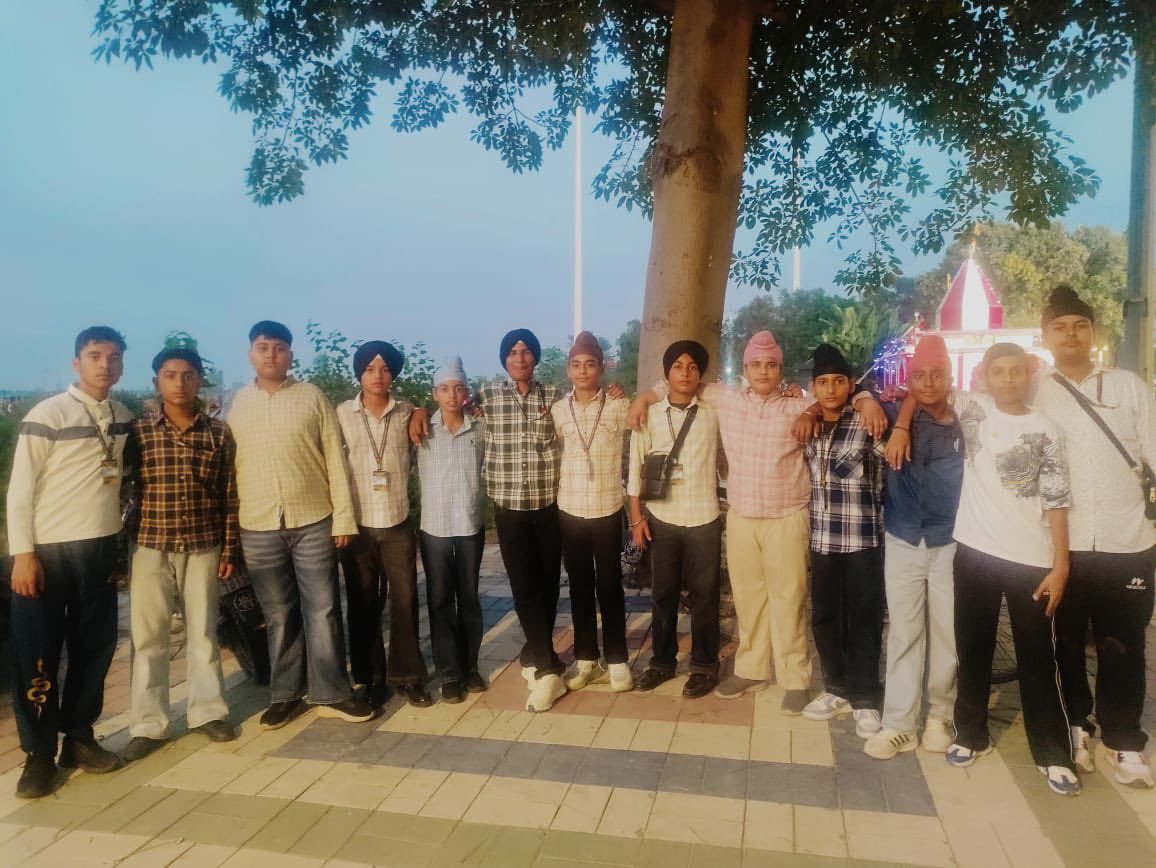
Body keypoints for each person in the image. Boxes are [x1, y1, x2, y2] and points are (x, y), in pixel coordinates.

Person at [889, 342, 1079, 796]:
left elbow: (1057, 500)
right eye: (999, 372)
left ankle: (1053, 753)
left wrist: (1061, 565)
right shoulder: (975, 409)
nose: (1008, 380)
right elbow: (923, 387)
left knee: (1038, 656)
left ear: (1029, 374)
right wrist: (899, 423)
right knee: (972, 649)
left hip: (1030, 557)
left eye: (1016, 371)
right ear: (985, 376)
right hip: (973, 552)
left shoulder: (1047, 429)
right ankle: (970, 735)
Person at [1035, 285, 1156, 788]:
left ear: (1093, 332)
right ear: (1046, 337)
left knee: (1123, 643)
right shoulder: (1035, 390)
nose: (1071, 335)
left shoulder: (1128, 387)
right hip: (1062, 546)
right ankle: (1075, 726)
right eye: (1060, 327)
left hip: (1128, 540)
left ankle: (1123, 737)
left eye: (1080, 325)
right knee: (1063, 641)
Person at [411, 328, 569, 711]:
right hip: (500, 511)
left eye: (526, 351)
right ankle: (540, 664)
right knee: (515, 589)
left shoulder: (553, 397)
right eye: (512, 352)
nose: (520, 358)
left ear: (535, 357)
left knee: (543, 586)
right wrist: (417, 410)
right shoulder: (487, 398)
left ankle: (527, 652)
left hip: (543, 505)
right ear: (504, 360)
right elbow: (439, 406)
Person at [6, 326, 133, 798]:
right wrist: (23, 554)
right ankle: (38, 755)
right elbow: (20, 489)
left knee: (94, 648)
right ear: (77, 363)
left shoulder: (123, 416)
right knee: (37, 653)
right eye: (95, 356)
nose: (105, 364)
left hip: (98, 550)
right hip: (46, 553)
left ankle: (79, 738)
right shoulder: (48, 414)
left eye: (114, 357)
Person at [228, 320, 373, 729]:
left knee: (323, 609)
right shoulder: (237, 404)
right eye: (263, 347)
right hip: (258, 524)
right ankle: (286, 695)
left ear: (290, 355)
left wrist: (343, 518)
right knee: (278, 613)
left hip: (313, 520)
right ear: (251, 354)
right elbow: (229, 470)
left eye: (279, 347)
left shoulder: (312, 397)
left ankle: (332, 692)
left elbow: (335, 459)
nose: (271, 354)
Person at [122, 347, 239, 763]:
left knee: (203, 632)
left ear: (199, 381)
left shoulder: (218, 433)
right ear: (157, 381)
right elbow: (122, 489)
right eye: (170, 375)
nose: (179, 383)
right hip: (150, 544)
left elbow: (229, 494)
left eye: (188, 375)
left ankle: (208, 712)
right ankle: (148, 725)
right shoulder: (138, 432)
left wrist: (230, 547)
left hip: (203, 543)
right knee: (148, 637)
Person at [864, 335, 963, 760]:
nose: (928, 383)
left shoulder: (968, 420)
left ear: (950, 376)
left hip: (952, 541)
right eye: (919, 375)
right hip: (903, 537)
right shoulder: (891, 415)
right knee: (904, 632)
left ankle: (940, 715)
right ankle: (900, 725)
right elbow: (857, 398)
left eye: (937, 374)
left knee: (947, 633)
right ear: (909, 379)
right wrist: (889, 412)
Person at [336, 341, 431, 708]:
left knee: (404, 601)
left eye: (385, 369)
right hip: (357, 524)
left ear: (393, 374)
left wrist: (422, 408)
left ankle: (408, 676)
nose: (378, 375)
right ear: (359, 373)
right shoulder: (341, 414)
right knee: (362, 603)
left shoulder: (406, 413)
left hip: (397, 522)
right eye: (370, 369)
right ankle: (369, 678)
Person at [799, 344, 887, 740]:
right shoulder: (810, 424)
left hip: (863, 538)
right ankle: (836, 687)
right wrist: (807, 411)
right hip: (822, 540)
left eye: (838, 381)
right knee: (825, 617)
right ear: (813, 388)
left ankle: (865, 697)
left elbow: (890, 461)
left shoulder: (867, 421)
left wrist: (870, 399)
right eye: (823, 382)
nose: (831, 389)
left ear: (851, 385)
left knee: (864, 619)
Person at [627, 340, 722, 698]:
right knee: (663, 594)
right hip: (662, 517)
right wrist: (636, 519)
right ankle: (662, 663)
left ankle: (704, 666)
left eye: (692, 367)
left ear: (700, 374)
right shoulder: (649, 414)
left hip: (704, 517)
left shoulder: (713, 412)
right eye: (678, 366)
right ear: (667, 373)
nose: (685, 373)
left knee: (705, 596)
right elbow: (635, 468)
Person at [552, 332, 633, 693]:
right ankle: (586, 658)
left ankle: (617, 659)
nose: (583, 370)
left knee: (610, 584)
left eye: (589, 364)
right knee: (580, 586)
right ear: (568, 370)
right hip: (570, 508)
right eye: (576, 364)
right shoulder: (559, 410)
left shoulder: (619, 405)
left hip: (606, 508)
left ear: (601, 367)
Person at [416, 357, 488, 703]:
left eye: (458, 388)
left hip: (470, 524)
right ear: (435, 393)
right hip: (435, 528)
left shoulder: (480, 429)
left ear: (466, 392)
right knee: (440, 599)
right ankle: (448, 673)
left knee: (469, 598)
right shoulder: (420, 430)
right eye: (444, 389)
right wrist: (416, 411)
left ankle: (470, 667)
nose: (451, 395)